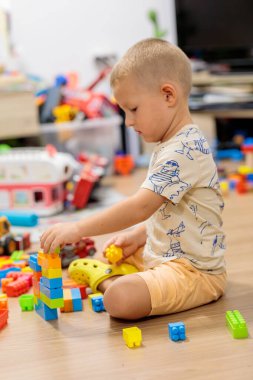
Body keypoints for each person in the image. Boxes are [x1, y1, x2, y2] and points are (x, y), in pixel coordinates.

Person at [40, 38, 226, 320]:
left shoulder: (183, 151)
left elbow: (140, 206)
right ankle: (121, 273)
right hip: (166, 256)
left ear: (168, 96)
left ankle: (104, 282)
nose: (128, 121)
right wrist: (141, 235)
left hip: (195, 272)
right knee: (111, 252)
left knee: (119, 298)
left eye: (133, 109)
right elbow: (174, 210)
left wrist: (79, 228)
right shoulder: (172, 143)